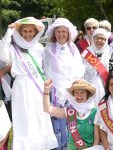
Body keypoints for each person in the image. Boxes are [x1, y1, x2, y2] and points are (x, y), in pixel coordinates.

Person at [0, 17, 58, 149]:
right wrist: (9, 31)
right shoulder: (13, 48)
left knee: (39, 114)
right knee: (25, 117)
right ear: (20, 32)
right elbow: (2, 53)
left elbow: (45, 67)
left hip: (38, 85)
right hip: (21, 86)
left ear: (35, 32)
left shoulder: (39, 47)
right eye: (24, 31)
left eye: (31, 31)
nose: (28, 34)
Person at [44, 17, 85, 149]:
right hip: (56, 93)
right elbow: (47, 70)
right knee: (57, 124)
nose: (61, 35)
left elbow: (79, 69)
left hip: (72, 92)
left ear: (68, 34)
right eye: (58, 32)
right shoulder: (48, 49)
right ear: (54, 33)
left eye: (64, 32)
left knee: (72, 123)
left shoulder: (73, 48)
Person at [43, 79, 101, 149]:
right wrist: (46, 92)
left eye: (82, 92)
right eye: (76, 92)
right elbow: (47, 109)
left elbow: (97, 139)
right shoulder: (70, 111)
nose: (79, 95)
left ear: (87, 94)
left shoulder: (94, 112)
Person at [81, 28, 113, 105]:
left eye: (102, 38)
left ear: (106, 40)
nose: (99, 40)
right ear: (93, 38)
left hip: (106, 87)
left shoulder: (110, 51)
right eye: (97, 38)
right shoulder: (86, 52)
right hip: (89, 87)